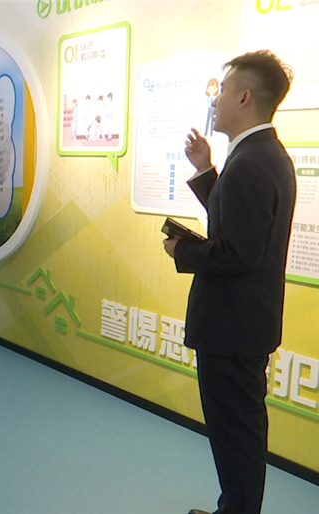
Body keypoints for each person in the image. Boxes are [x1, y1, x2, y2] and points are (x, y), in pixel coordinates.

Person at [163, 50, 296, 514]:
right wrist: (205, 170)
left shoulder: (252, 162)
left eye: (222, 90)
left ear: (244, 97)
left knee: (236, 435)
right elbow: (237, 223)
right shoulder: (259, 155)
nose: (214, 99)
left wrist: (181, 251)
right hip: (243, 326)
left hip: (232, 328)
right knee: (238, 433)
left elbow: (236, 253)